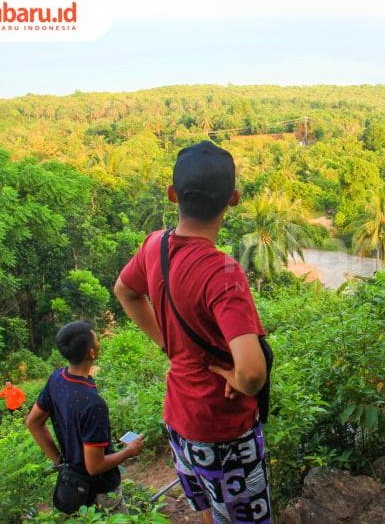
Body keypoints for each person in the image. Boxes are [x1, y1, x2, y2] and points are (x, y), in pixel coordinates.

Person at [115, 140, 270, 524]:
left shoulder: (154, 246)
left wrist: (166, 343)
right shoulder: (223, 272)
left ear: (172, 195)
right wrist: (237, 378)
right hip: (224, 426)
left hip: (180, 419)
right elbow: (252, 373)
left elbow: (125, 291)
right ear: (233, 199)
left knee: (208, 509)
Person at [26, 320, 144, 512]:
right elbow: (94, 466)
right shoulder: (93, 404)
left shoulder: (57, 379)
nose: (99, 343)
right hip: (100, 490)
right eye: (96, 340)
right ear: (91, 352)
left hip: (73, 484)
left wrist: (60, 462)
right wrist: (129, 451)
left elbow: (33, 422)